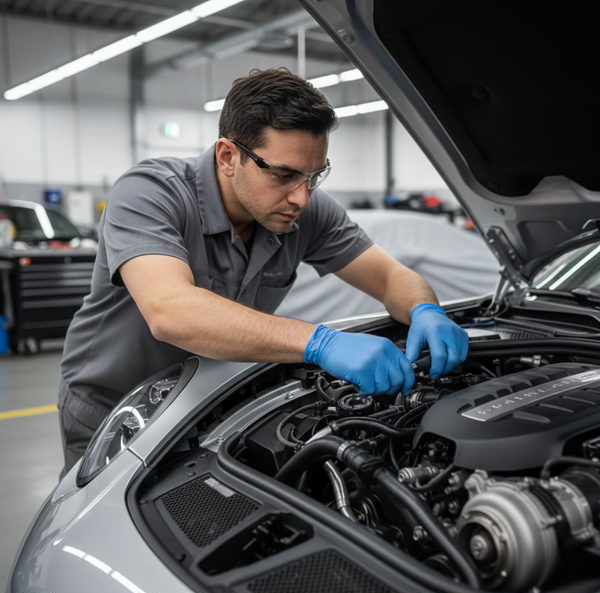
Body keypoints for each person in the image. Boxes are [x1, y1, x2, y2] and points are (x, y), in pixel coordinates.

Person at [58, 68, 468, 474]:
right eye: (285, 175)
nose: (302, 197)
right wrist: (321, 342)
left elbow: (390, 276)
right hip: (118, 409)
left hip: (208, 403)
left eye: (315, 175)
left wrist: (425, 310)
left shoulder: (303, 210)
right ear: (227, 156)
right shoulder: (151, 192)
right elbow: (171, 312)